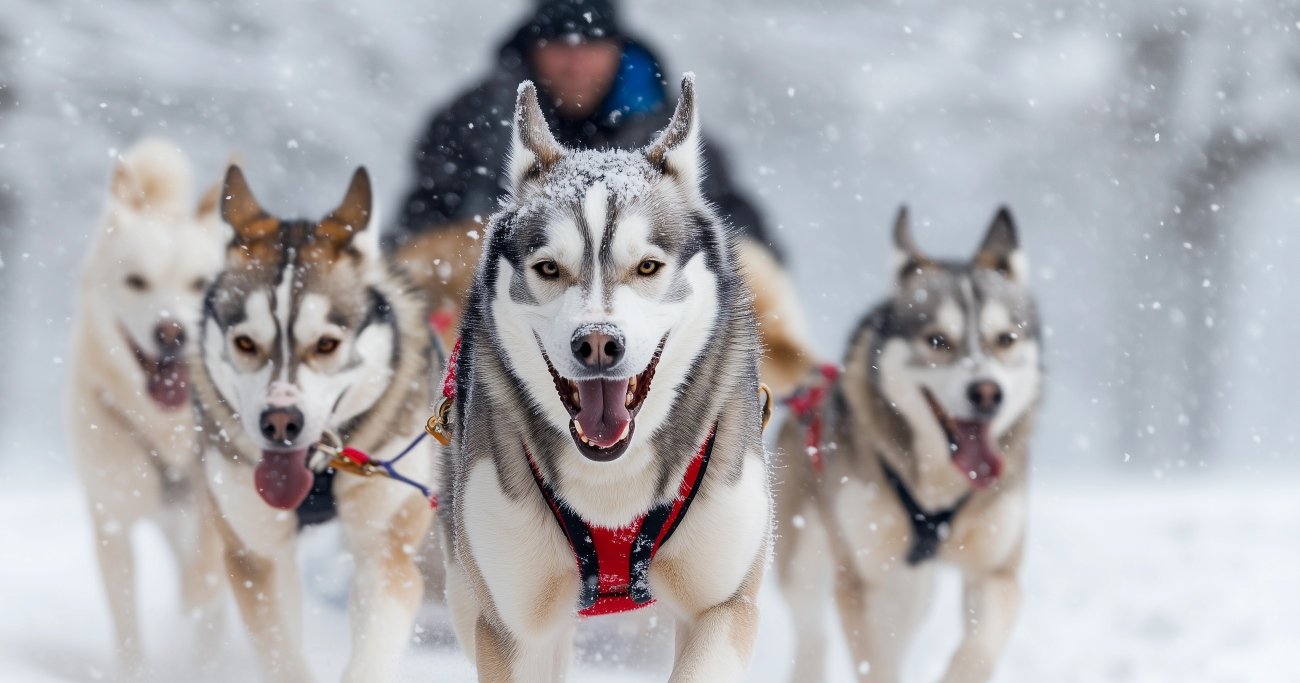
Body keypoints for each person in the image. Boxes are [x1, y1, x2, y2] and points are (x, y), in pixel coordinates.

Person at [393, 0, 776, 254]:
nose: (575, 64)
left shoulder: (669, 130)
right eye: (559, 46)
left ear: (617, 50)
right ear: (532, 50)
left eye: (591, 47)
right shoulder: (473, 123)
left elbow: (737, 234)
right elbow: (420, 233)